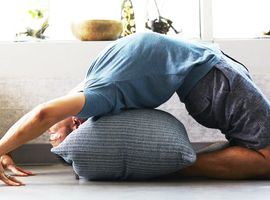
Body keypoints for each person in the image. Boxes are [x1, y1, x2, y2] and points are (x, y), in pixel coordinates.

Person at [1, 32, 270, 186]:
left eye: (54, 136)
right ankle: (179, 168)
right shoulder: (96, 74)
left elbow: (42, 114)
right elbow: (46, 115)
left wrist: (2, 147)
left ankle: (179, 168)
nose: (52, 140)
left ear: (76, 122)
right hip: (214, 74)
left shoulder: (100, 92)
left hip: (215, 77)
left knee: (266, 155)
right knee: (263, 152)